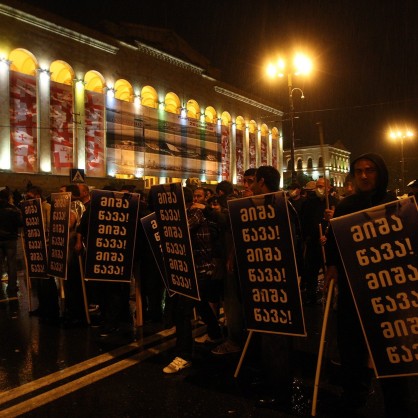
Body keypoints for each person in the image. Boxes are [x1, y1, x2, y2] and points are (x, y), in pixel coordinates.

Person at [325, 153, 412, 417]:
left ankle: (397, 403)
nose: (364, 175)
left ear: (380, 173)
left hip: (388, 291)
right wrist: (331, 266)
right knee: (351, 346)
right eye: (359, 171)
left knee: (391, 348)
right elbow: (333, 242)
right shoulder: (344, 207)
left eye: (370, 170)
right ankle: (354, 393)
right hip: (354, 290)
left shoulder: (395, 206)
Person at [163, 187, 221, 373]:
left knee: (182, 310)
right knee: (201, 302)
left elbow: (182, 229)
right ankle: (215, 333)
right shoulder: (191, 211)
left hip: (199, 269)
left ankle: (183, 356)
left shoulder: (195, 211)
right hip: (198, 269)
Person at [300, 177, 338, 305]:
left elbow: (338, 223)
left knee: (329, 271)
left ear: (328, 188)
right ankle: (311, 296)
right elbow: (304, 221)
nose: (319, 189)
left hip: (327, 245)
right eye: (317, 186)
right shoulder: (309, 203)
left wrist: (327, 236)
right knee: (311, 271)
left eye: (321, 186)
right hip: (313, 243)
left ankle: (330, 297)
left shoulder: (335, 203)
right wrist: (308, 237)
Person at [26, 186, 60, 322]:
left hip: (46, 246)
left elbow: (51, 226)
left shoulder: (47, 207)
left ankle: (51, 309)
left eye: (30, 196)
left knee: (47, 280)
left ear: (38, 195)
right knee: (38, 279)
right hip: (37, 247)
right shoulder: (33, 208)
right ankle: (42, 306)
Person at [0, 187, 22, 296]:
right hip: (10, 239)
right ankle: (12, 286)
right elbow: (20, 223)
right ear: (9, 197)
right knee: (11, 264)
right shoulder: (13, 209)